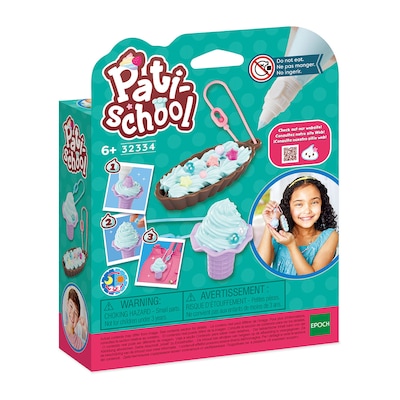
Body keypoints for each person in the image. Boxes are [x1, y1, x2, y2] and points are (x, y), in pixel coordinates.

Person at [257, 175, 338, 276]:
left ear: (322, 205)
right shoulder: (279, 235)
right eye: (299, 204)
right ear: (288, 207)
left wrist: (291, 245)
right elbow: (260, 268)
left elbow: (311, 279)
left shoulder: (330, 236)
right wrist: (269, 224)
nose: (307, 210)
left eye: (314, 202)